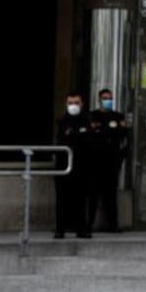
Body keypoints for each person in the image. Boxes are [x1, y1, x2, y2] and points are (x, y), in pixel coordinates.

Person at [88, 87, 129, 233]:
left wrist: (103, 130)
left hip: (112, 160)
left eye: (110, 99)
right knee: (93, 194)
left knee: (110, 194)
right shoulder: (92, 116)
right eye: (105, 99)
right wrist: (109, 131)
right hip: (95, 160)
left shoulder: (117, 116)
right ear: (99, 100)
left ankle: (113, 224)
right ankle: (89, 223)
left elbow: (122, 133)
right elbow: (92, 134)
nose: (108, 101)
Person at [54, 93, 93, 239]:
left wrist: (73, 134)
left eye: (76, 103)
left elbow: (88, 140)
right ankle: (60, 229)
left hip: (82, 166)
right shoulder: (62, 121)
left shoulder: (87, 121)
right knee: (62, 199)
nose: (73, 106)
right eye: (70, 103)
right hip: (63, 166)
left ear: (82, 104)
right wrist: (77, 135)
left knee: (80, 199)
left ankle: (81, 229)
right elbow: (62, 140)